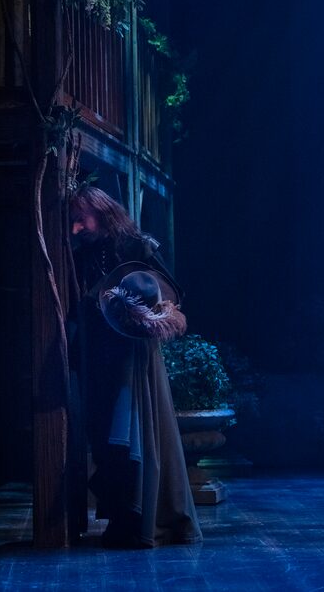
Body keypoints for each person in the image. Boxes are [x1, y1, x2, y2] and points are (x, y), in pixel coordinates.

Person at [69, 185, 203, 549]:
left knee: (135, 432)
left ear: (101, 211)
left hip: (132, 358)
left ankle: (143, 518)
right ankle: (122, 517)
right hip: (97, 358)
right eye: (73, 222)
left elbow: (169, 296)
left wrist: (135, 312)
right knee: (105, 440)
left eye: (81, 219)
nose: (76, 228)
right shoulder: (80, 255)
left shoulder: (135, 247)